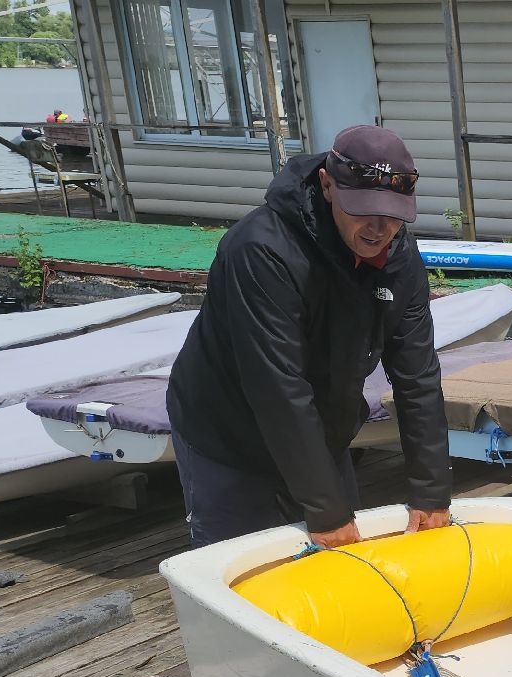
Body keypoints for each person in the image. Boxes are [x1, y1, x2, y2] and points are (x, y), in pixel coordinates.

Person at [166, 124, 452, 548]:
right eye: (363, 210)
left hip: (322, 430)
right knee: (248, 569)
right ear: (327, 184)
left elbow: (418, 377)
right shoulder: (260, 249)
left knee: (342, 562)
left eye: (393, 215)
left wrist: (431, 491)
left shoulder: (399, 257)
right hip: (229, 433)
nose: (379, 229)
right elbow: (277, 385)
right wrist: (326, 510)